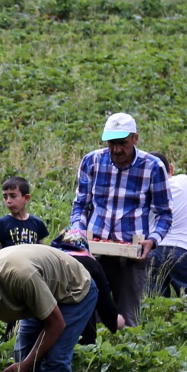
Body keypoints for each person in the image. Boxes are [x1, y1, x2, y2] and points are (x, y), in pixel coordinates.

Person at [70, 112, 172, 327]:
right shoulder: (92, 161)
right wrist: (79, 236)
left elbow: (164, 213)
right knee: (92, 313)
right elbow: (80, 205)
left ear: (135, 138)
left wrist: (152, 240)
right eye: (112, 143)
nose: (116, 150)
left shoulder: (152, 167)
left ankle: (127, 356)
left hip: (132, 255)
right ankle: (96, 356)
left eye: (122, 143)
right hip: (95, 251)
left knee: (129, 317)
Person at [51, 232, 124, 345]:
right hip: (83, 332)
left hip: (49, 331)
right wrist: (114, 321)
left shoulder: (51, 261)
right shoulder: (92, 264)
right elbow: (105, 303)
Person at [145, 154, 187, 297]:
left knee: (155, 300)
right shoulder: (184, 181)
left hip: (153, 248)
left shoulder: (146, 192)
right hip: (180, 248)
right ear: (171, 168)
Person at [0, 176, 49, 253]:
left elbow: (42, 252)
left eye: (13, 196)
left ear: (26, 198)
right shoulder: (2, 223)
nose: (8, 201)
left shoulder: (37, 223)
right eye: (5, 197)